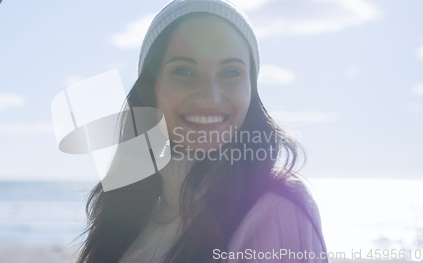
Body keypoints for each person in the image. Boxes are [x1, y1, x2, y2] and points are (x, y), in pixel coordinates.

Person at [76, 0, 328, 262]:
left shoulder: (277, 208)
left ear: (251, 91)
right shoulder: (126, 216)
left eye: (231, 72)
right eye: (183, 71)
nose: (209, 96)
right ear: (150, 89)